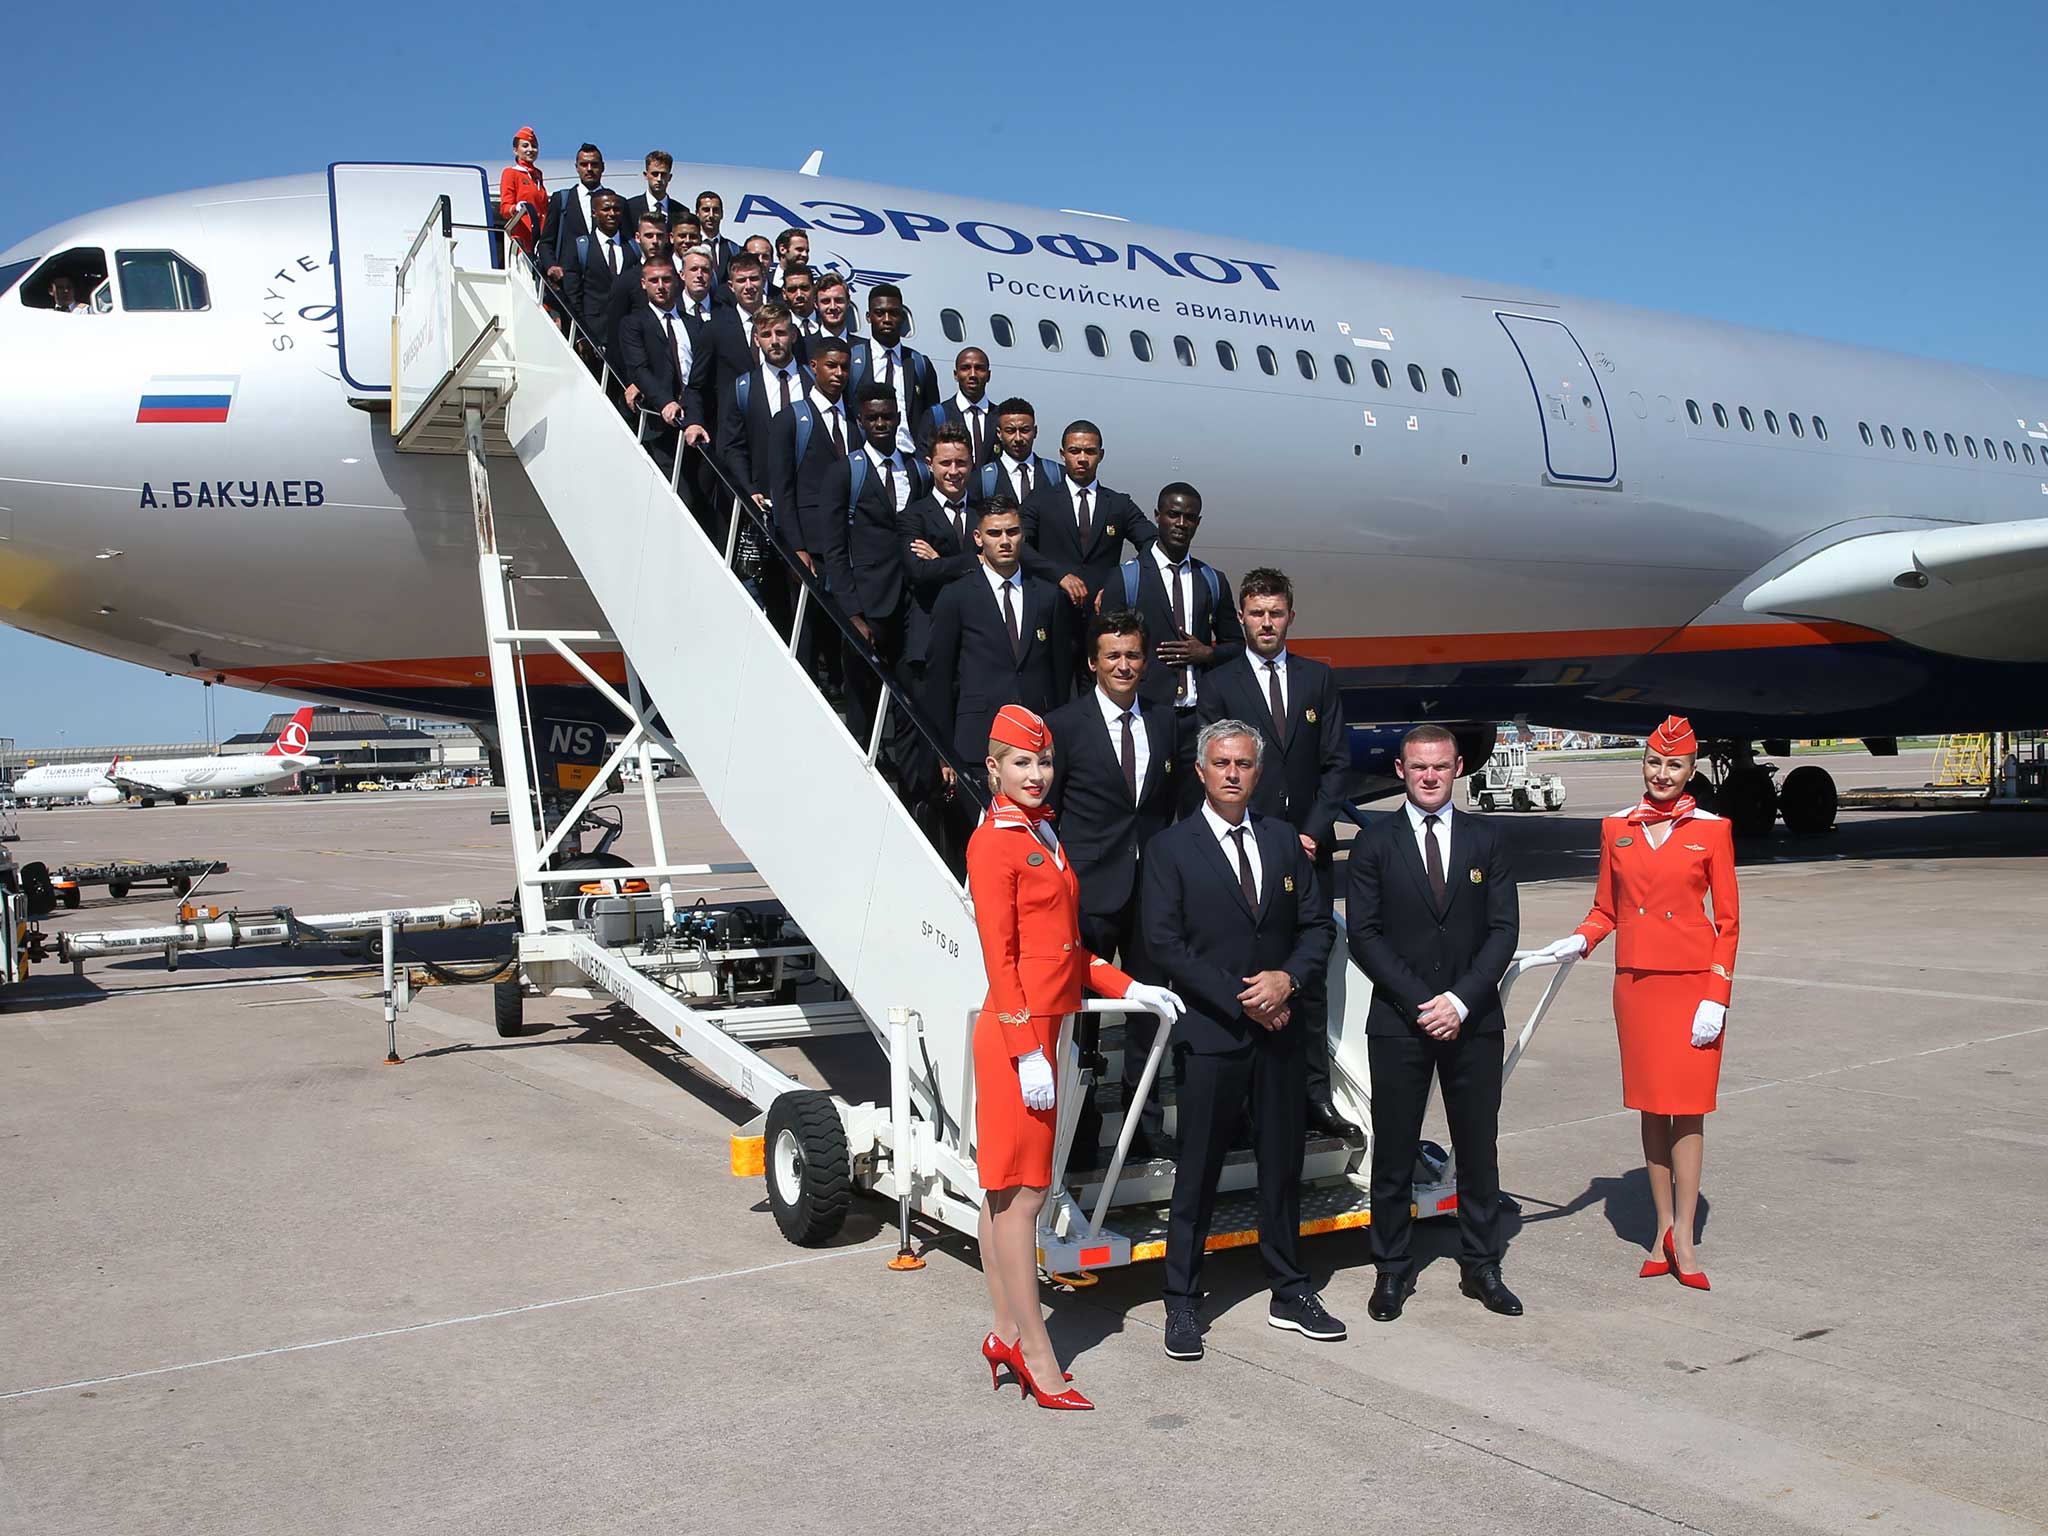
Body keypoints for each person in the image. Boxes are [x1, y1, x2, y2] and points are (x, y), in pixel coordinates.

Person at [967, 703, 1183, 1410]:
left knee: (1002, 1192)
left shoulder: (1041, 831)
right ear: (993, 768)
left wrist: (1133, 985)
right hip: (1018, 1036)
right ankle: (1037, 1353)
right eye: (1022, 763)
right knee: (1024, 1195)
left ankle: (1003, 1331)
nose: (1036, 774)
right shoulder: (995, 842)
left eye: (1044, 762)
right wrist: (1029, 1050)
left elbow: (1069, 951)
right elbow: (1000, 959)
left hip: (1039, 1034)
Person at [1142, 719, 1342, 1361]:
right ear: (1201, 771)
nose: (1233, 773)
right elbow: (1164, 943)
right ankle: (1181, 1301)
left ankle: (1290, 1289)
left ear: (1259, 772)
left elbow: (1317, 928)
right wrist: (1243, 997)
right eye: (1222, 762)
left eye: (1245, 764)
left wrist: (1287, 978)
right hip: (1215, 1035)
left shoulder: (1285, 842)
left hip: (1280, 1034)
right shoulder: (1171, 848)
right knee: (1197, 1172)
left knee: (1282, 1166)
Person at [1534, 715, 1739, 1290]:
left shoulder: (1713, 830)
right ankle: (1662, 1229)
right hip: (1638, 986)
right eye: (1654, 762)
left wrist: (1717, 995)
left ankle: (1688, 1242)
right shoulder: (1616, 827)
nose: (1663, 773)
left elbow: (1727, 922)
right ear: (1643, 764)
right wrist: (1580, 938)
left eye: (1674, 764)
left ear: (1691, 768)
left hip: (1694, 985)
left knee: (1690, 1108)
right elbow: (1606, 907)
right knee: (1653, 1107)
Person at [1346, 724, 1522, 1324]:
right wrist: (1425, 1002)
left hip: (1473, 1022)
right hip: (1400, 1021)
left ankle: (1481, 1266)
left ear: (1458, 768)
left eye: (1441, 767)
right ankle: (1391, 1269)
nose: (1429, 777)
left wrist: (1462, 1002)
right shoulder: (1375, 843)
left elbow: (1503, 931)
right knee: (1394, 1152)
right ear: (1400, 769)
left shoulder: (1486, 839)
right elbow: (1363, 936)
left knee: (1478, 1148)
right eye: (1418, 767)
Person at [1198, 567, 1352, 1135]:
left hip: (1310, 851)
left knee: (1308, 975)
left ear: (1291, 616)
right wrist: (1275, 835)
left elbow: (1337, 763)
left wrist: (1309, 830)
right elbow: (1223, 775)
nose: (1267, 623)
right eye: (1257, 613)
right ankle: (1242, 1102)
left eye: (1276, 613)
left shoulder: (1317, 679)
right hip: (1249, 848)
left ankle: (1313, 1096)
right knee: (1246, 969)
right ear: (1240, 618)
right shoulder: (1219, 685)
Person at [1044, 609, 1183, 1164]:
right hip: (1089, 895)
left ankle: (1144, 1128)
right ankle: (1078, 1133)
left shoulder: (1167, 720)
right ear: (1092, 662)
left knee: (1149, 1014)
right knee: (1083, 1021)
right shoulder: (1065, 724)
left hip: (1150, 890)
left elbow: (1168, 806)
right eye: (1113, 656)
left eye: (1133, 655)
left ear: (1145, 662)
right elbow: (1048, 808)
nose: (1124, 665)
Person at [923, 497, 1074, 867]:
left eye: (1012, 531)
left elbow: (1060, 676)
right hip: (976, 748)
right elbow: (939, 678)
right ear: (978, 538)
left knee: (1031, 853)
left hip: (1035, 751)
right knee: (982, 852)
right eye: (994, 533)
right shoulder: (956, 596)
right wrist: (942, 750)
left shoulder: (1048, 597)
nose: (1004, 540)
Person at [818, 382, 931, 779]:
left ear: (898, 418)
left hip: (911, 602)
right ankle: (858, 774)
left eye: (887, 416)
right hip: (868, 605)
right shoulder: (845, 472)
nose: (881, 423)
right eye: (872, 418)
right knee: (864, 697)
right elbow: (833, 549)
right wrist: (852, 613)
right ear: (860, 422)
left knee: (909, 696)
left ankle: (907, 775)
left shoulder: (916, 470)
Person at [1113, 483, 1243, 745]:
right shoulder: (1126, 578)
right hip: (1146, 717)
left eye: (1190, 517)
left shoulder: (1211, 580)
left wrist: (1208, 653)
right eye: (1173, 514)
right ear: (1157, 516)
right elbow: (1105, 649)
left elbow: (1238, 646)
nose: (1181, 523)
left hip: (1200, 721)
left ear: (1198, 522)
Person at [1020, 420, 1156, 612]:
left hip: (1103, 614)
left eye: (1090, 451)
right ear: (1062, 454)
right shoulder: (1040, 501)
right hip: (1052, 610)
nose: (1082, 458)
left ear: (1101, 455)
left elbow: (1153, 543)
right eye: (1075, 451)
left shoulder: (1119, 504)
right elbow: (1019, 545)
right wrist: (1059, 575)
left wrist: (1123, 580)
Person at [616, 258, 711, 481]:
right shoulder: (633, 324)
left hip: (697, 418)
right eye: (654, 280)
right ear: (643, 283)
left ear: (677, 280)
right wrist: (665, 402)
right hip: (659, 422)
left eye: (666, 280)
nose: (660, 286)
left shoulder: (694, 324)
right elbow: (639, 369)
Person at [849, 284, 940, 455]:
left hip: (910, 456)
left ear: (902, 316)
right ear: (869, 317)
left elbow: (932, 417)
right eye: (879, 313)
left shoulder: (919, 364)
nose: (887, 319)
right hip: (867, 459)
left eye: (893, 313)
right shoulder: (854, 361)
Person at [558, 191, 635, 352]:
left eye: (616, 209)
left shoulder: (633, 247)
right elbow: (573, 295)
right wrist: (581, 335)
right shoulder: (580, 247)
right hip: (593, 338)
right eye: (606, 209)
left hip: (628, 337)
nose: (612, 214)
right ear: (594, 213)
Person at [538, 144, 610, 287]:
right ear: (577, 167)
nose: (589, 169)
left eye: (594, 164)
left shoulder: (615, 201)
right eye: (584, 164)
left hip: (605, 286)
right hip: (568, 284)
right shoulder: (562, 200)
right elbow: (546, 242)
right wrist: (551, 266)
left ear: (602, 167)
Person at [918, 348, 997, 464]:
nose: (973, 374)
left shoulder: (1000, 417)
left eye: (979, 368)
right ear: (956, 375)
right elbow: (923, 460)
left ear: (989, 375)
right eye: (965, 368)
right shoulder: (936, 416)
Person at [977, 397, 1061, 507]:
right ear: (999, 433)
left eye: (1024, 430)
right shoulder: (982, 480)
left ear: (1035, 432)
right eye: (1010, 431)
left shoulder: (1056, 475)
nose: (1018, 438)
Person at [498, 126, 546, 259]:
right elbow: (504, 209)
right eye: (525, 146)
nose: (531, 150)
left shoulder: (537, 175)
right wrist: (516, 208)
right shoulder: (511, 173)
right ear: (515, 150)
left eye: (534, 146)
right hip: (522, 239)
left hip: (540, 240)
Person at [624, 149, 679, 228]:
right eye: (655, 174)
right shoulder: (629, 208)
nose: (659, 179)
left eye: (663, 174)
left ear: (669, 177)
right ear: (645, 175)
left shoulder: (680, 211)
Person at [694, 190, 739, 283]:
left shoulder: (733, 249)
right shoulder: (691, 245)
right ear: (697, 213)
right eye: (706, 210)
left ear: (722, 214)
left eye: (715, 210)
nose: (711, 215)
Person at [810, 271, 861, 345]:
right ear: (816, 304)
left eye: (838, 300)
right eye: (826, 301)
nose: (833, 307)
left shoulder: (864, 347)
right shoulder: (804, 347)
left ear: (848, 301)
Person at [780, 265, 818, 337]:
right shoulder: (779, 327)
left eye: (804, 288)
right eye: (792, 290)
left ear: (814, 289)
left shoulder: (827, 321)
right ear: (784, 294)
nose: (799, 295)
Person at [773, 228, 811, 293]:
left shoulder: (812, 283)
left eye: (807, 251)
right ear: (782, 249)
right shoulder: (765, 281)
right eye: (799, 250)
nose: (805, 255)